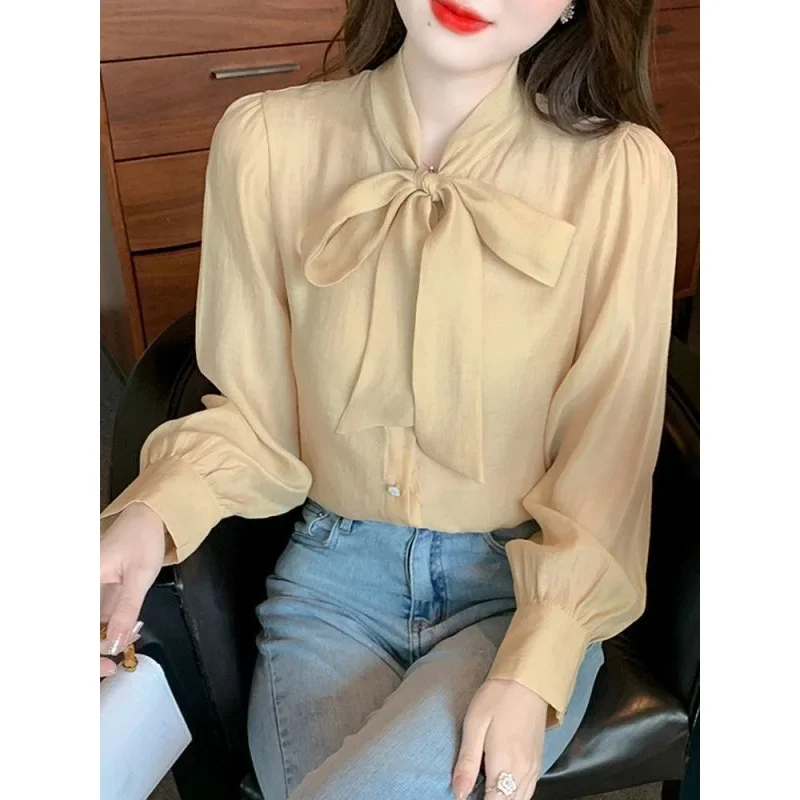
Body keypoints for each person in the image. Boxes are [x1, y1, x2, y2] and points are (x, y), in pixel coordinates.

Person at [99, 0, 677, 797]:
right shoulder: (265, 142)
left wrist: (537, 660)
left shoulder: (623, 173)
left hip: (519, 588)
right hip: (329, 588)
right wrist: (148, 514)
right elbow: (255, 417)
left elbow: (607, 452)